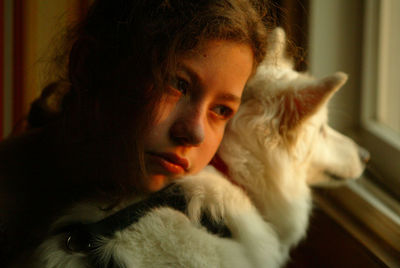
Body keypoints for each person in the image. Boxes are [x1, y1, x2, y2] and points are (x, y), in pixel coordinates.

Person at [0, 0, 269, 266]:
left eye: (221, 110)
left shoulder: (205, 225)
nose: (196, 133)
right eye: (177, 84)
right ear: (89, 66)